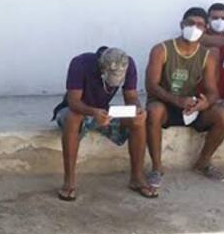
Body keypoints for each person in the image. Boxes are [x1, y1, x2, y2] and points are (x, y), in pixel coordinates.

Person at [144, 7, 224, 184]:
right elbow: (151, 86)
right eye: (190, 23)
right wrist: (176, 100)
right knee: (154, 111)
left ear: (205, 29)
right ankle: (156, 168)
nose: (194, 28)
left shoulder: (207, 55)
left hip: (191, 107)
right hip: (165, 104)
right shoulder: (161, 49)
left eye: (200, 25)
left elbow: (212, 91)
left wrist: (204, 103)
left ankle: (203, 162)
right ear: (181, 24)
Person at [52, 47, 151, 199]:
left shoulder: (128, 64)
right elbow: (73, 102)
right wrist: (94, 113)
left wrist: (137, 109)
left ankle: (137, 177)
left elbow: (131, 96)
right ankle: (69, 181)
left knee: (138, 120)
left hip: (102, 111)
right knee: (73, 118)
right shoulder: (80, 64)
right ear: (102, 68)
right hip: (76, 110)